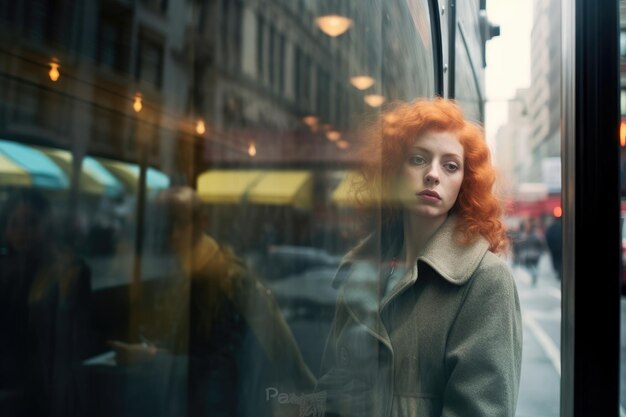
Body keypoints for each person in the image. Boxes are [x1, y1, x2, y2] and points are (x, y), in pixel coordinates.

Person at [315, 98, 522, 417]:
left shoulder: (486, 281)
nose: (433, 175)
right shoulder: (361, 268)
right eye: (418, 159)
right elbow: (328, 390)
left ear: (464, 184)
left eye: (450, 165)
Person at [109, 186, 315, 417]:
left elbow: (223, 369)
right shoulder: (188, 273)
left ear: (202, 222)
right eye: (164, 225)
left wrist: (151, 358)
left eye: (178, 223)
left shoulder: (226, 281)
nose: (170, 235)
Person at [0, 188, 92, 417]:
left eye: (31, 223)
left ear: (48, 226)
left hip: (45, 385)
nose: (23, 232)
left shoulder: (69, 270)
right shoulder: (7, 269)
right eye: (15, 224)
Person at [544, 216, 562, 280]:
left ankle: (558, 271)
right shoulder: (562, 226)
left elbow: (548, 237)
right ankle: (560, 272)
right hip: (561, 248)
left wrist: (550, 247)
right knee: (560, 260)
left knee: (556, 260)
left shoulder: (551, 228)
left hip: (554, 249)